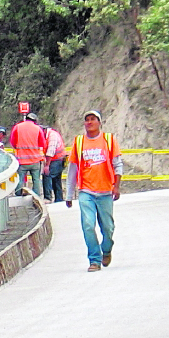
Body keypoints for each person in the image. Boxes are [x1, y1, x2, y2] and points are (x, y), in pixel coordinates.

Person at [66, 110, 123, 272]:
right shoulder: (79, 143)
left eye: (93, 119)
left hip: (105, 192)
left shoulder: (109, 140)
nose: (89, 122)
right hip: (86, 192)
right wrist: (69, 195)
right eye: (87, 120)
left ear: (99, 122)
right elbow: (72, 170)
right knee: (88, 225)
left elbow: (118, 165)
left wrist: (116, 186)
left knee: (108, 228)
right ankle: (94, 260)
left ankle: (106, 249)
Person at [9, 112, 46, 197]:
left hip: (22, 161)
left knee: (20, 180)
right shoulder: (38, 129)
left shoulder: (17, 127)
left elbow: (13, 142)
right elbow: (42, 144)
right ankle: (37, 196)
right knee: (36, 180)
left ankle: (18, 195)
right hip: (35, 160)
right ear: (35, 120)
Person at [41, 122, 67, 203]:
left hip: (58, 159)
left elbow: (50, 152)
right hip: (56, 159)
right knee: (56, 179)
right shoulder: (46, 136)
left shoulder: (52, 135)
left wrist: (46, 166)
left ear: (44, 130)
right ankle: (59, 199)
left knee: (47, 175)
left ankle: (48, 198)